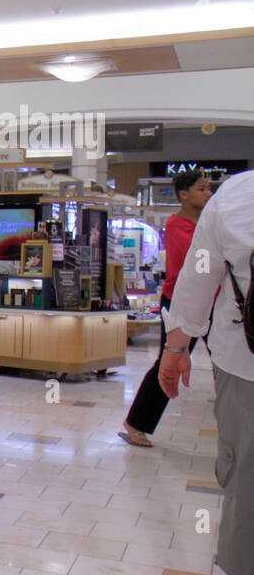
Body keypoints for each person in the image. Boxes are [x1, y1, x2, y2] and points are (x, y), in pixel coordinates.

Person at [157, 169, 254, 575]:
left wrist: (176, 347)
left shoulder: (238, 194)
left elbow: (199, 276)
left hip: (246, 364)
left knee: (248, 479)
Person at [119, 170, 214, 447]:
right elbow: (199, 263)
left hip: (211, 302)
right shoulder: (177, 225)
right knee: (168, 360)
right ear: (184, 195)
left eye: (208, 188)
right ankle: (136, 423)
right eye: (201, 189)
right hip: (182, 304)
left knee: (226, 360)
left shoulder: (207, 225)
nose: (208, 194)